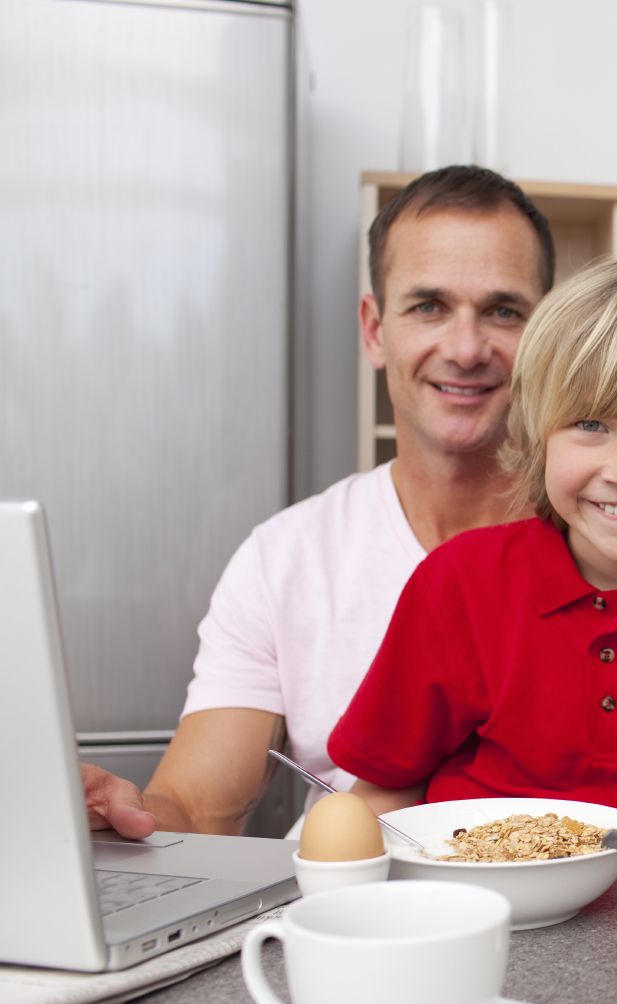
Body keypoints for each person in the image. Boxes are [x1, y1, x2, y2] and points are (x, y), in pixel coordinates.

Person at [81, 165, 555, 836]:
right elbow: (194, 808)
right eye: (428, 306)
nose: (467, 347)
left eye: (504, 311)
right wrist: (117, 813)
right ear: (373, 330)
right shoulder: (284, 559)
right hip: (342, 928)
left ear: (549, 336)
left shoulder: (616, 549)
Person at [328, 257, 617, 843]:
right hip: (482, 903)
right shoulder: (459, 583)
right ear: (535, 432)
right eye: (590, 425)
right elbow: (382, 790)